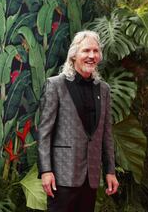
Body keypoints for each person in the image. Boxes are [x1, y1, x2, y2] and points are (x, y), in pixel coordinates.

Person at [37, 30, 119, 212]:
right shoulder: (55, 85)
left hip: (91, 177)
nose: (92, 56)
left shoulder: (103, 89)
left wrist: (110, 171)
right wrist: (45, 171)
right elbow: (44, 133)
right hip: (61, 176)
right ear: (74, 55)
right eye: (86, 51)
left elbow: (106, 134)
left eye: (96, 51)